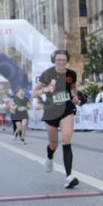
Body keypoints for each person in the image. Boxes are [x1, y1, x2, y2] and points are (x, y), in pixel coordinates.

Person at [34, 49, 81, 189]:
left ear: (67, 60)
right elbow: (34, 92)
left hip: (67, 109)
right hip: (51, 111)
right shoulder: (47, 74)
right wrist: (45, 90)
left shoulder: (71, 74)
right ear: (54, 61)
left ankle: (68, 177)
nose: (61, 62)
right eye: (58, 60)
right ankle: (50, 156)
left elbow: (73, 89)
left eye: (64, 60)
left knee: (66, 140)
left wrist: (75, 97)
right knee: (53, 144)